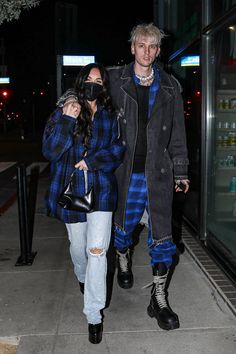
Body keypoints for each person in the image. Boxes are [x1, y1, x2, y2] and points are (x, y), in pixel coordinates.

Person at [108, 23, 189, 331]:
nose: (146, 51)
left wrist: (181, 169)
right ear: (132, 48)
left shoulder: (170, 86)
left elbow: (178, 134)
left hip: (158, 174)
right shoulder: (115, 80)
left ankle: (158, 299)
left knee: (163, 241)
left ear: (158, 51)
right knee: (123, 232)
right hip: (123, 172)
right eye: (141, 45)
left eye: (152, 46)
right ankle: (124, 256)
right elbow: (86, 102)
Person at [42, 63, 125, 344]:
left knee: (97, 251)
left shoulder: (110, 114)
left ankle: (93, 315)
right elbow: (50, 151)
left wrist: (92, 161)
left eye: (98, 80)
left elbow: (117, 149)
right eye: (89, 79)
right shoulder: (65, 110)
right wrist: (66, 119)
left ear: (104, 86)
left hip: (101, 190)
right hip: (72, 191)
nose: (93, 84)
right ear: (80, 82)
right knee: (80, 251)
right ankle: (81, 274)